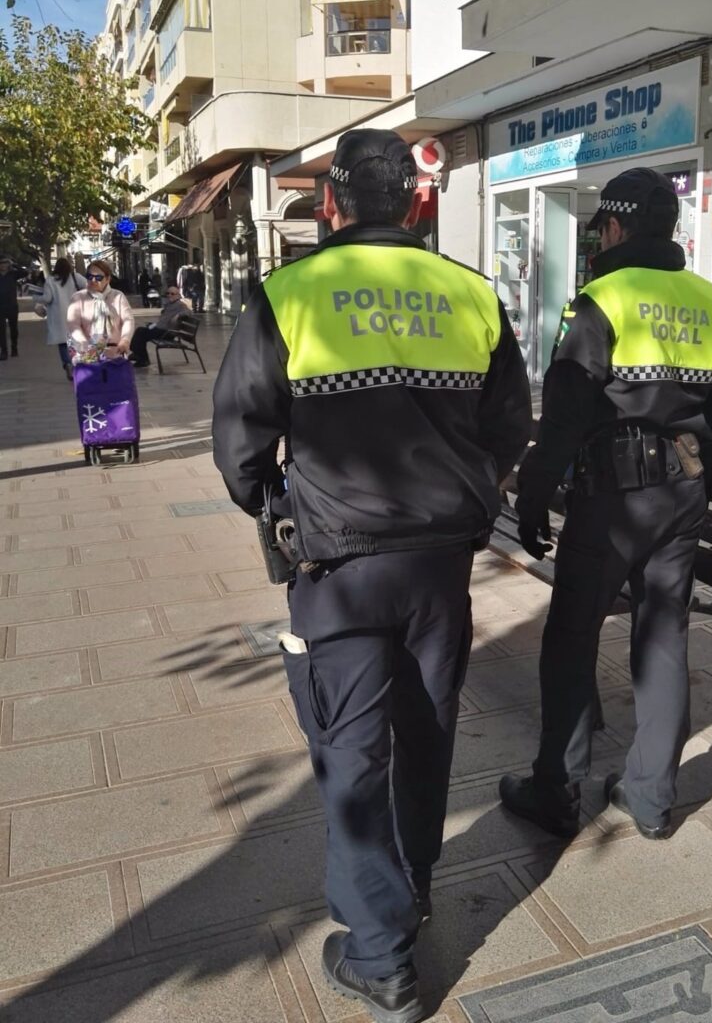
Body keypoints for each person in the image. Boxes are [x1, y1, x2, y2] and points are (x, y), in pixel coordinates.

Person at [212, 128, 531, 1023]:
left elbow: (238, 444)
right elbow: (512, 425)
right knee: (425, 730)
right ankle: (414, 887)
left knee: (352, 751)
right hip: (441, 567)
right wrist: (466, 496)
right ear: (414, 201)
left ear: (334, 204)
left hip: (338, 568)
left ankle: (383, 957)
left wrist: (276, 503)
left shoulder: (288, 295)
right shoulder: (471, 293)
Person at [499, 167, 712, 843]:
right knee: (662, 637)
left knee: (572, 637)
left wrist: (534, 498)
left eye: (600, 226)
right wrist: (691, 473)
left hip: (610, 504)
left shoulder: (598, 302)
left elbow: (563, 423)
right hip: (684, 498)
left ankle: (555, 792)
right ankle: (651, 799)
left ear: (615, 225)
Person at [66, 259, 135, 360]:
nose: (93, 281)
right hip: (87, 356)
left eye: (98, 277)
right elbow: (73, 325)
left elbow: (128, 320)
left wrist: (125, 340)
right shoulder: (78, 297)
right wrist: (84, 344)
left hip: (115, 354)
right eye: (90, 277)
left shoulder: (118, 296)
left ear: (107, 279)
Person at [33, 258, 87, 380]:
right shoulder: (75, 277)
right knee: (76, 341)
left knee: (63, 343)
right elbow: (88, 287)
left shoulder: (50, 280)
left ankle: (67, 364)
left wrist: (36, 297)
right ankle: (76, 364)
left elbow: (47, 299)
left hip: (58, 317)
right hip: (76, 314)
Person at [128, 286, 192, 368]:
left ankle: (142, 358)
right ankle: (138, 354)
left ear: (178, 295)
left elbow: (189, 312)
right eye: (168, 293)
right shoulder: (169, 305)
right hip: (160, 329)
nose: (169, 295)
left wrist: (179, 315)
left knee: (141, 333)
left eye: (172, 294)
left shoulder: (180, 305)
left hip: (167, 332)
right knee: (140, 330)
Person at [0, 255, 20, 360]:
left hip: (12, 306)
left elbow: (24, 272)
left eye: (5, 263)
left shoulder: (13, 274)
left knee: (14, 329)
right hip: (0, 307)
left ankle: (14, 348)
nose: (3, 265)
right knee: (1, 330)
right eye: (1, 263)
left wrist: (14, 264)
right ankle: (4, 351)